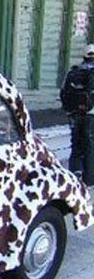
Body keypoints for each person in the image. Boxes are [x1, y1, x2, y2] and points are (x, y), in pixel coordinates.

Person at [61, 44, 94, 186]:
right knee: (90, 147)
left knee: (75, 146)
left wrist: (69, 109)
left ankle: (74, 176)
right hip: (91, 114)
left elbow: (64, 93)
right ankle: (89, 179)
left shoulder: (74, 72)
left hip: (74, 114)